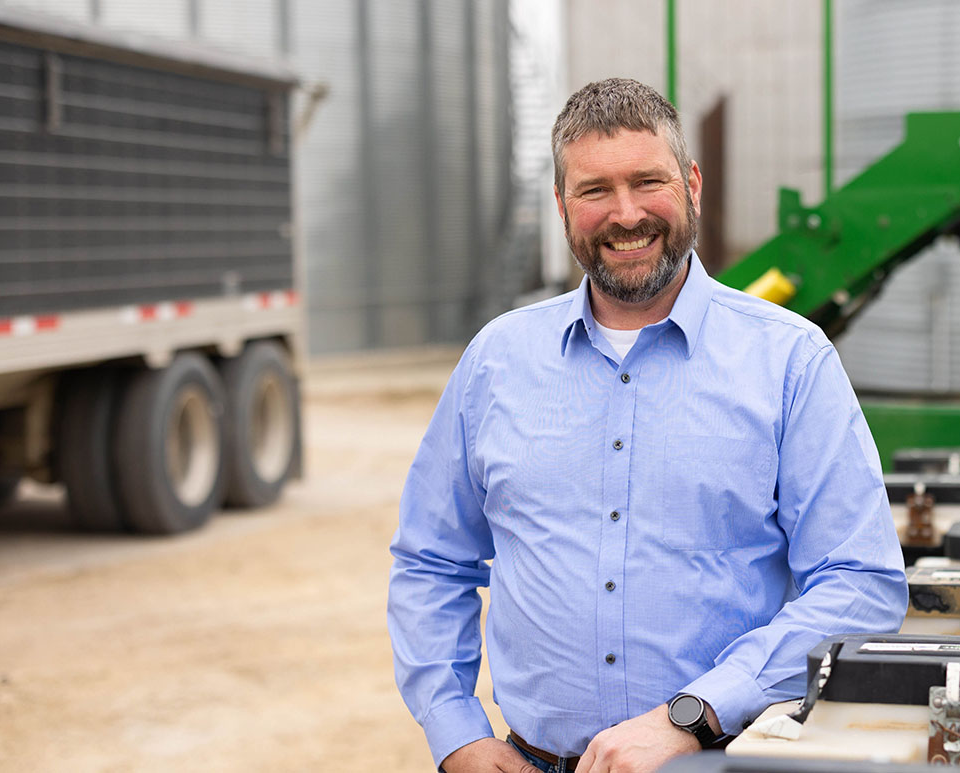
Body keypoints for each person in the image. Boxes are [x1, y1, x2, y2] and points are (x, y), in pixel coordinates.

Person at [388, 78, 907, 773]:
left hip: (718, 757)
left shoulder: (789, 360)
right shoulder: (496, 361)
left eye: (647, 181)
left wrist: (692, 713)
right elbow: (431, 560)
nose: (625, 213)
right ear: (561, 203)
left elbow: (860, 583)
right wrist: (456, 730)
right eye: (595, 189)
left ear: (691, 183)